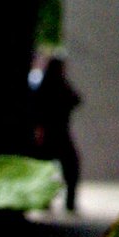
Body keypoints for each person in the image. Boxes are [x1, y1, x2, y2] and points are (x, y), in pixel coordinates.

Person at [28, 51, 82, 212]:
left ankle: (47, 201)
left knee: (47, 170)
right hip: (54, 133)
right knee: (70, 167)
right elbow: (75, 100)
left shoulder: (45, 85)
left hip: (49, 134)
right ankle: (67, 202)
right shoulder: (57, 85)